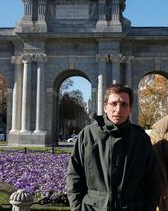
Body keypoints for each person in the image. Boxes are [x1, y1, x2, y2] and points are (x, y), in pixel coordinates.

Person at [67, 83, 160, 211]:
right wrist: (77, 208)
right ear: (105, 107)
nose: (118, 109)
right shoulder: (88, 135)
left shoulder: (141, 139)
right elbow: (74, 176)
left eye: (124, 104)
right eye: (113, 103)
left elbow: (153, 181)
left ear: (130, 109)